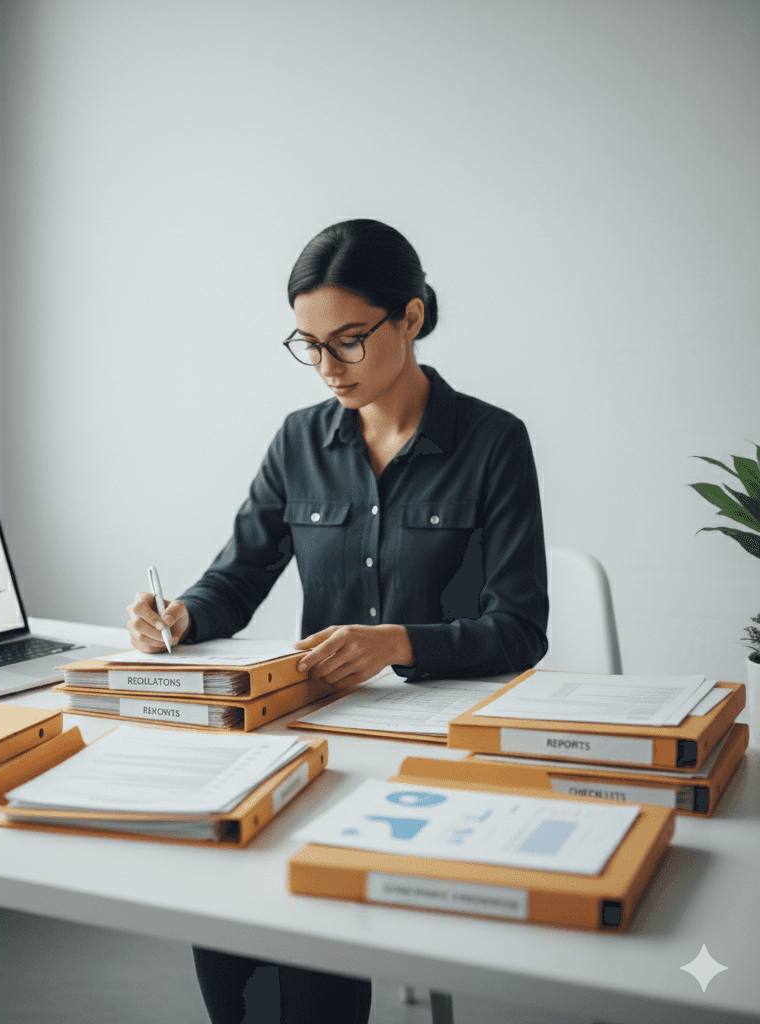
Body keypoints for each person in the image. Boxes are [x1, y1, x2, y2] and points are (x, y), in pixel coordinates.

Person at [125, 218, 548, 1024]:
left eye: (348, 341)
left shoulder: (494, 442)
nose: (326, 368)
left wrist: (396, 643)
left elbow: (520, 628)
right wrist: (179, 615)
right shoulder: (298, 441)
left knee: (313, 902)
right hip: (319, 732)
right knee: (228, 862)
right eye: (308, 344)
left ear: (412, 317)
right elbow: (237, 579)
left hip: (441, 749)